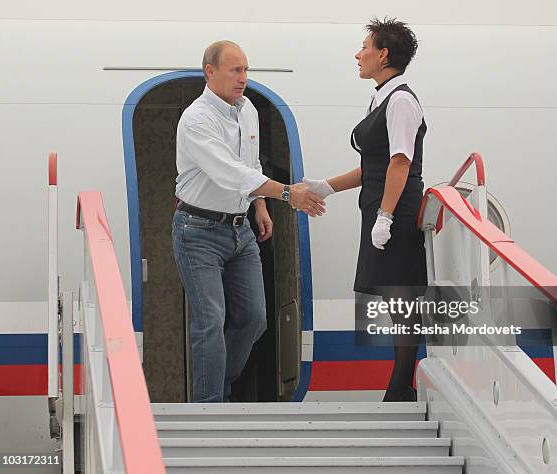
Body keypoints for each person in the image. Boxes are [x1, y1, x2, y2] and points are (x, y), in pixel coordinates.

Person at [173, 40, 325, 403]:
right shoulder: (196, 120)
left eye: (245, 70)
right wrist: (287, 193)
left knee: (255, 319)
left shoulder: (249, 110)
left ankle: (219, 385)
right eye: (235, 70)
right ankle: (210, 406)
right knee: (211, 319)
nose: (243, 78)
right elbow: (229, 173)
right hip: (198, 231)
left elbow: (250, 164)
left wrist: (259, 205)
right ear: (210, 72)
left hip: (240, 230)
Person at [304, 18, 427, 401]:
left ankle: (401, 387)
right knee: (394, 297)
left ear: (384, 54)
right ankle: (400, 384)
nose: (359, 55)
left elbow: (401, 163)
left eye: (365, 47)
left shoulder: (402, 100)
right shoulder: (381, 97)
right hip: (379, 203)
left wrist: (387, 216)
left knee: (401, 296)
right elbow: (373, 166)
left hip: (397, 209)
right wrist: (327, 186)